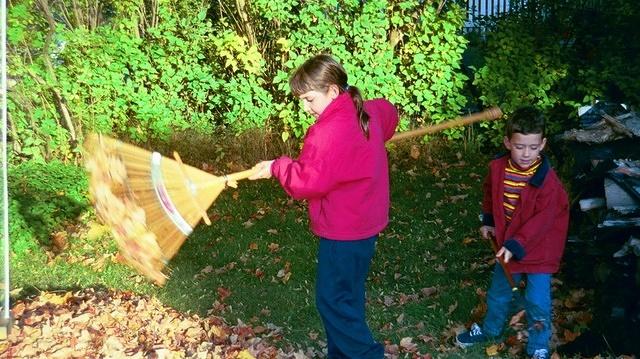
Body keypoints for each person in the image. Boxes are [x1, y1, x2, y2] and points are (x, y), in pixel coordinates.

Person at [249, 54, 398, 358]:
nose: (305, 108)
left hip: (344, 230)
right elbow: (389, 112)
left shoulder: (327, 133)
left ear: (332, 90)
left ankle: (367, 355)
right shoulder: (366, 112)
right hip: (366, 225)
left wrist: (279, 166)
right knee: (348, 297)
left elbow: (306, 181)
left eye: (309, 99)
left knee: (331, 300)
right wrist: (378, 136)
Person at [455, 107, 569, 359]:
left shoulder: (547, 182)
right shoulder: (498, 168)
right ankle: (491, 330)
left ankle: (538, 345)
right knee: (499, 292)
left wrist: (518, 243)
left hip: (539, 248)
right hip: (509, 244)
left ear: (543, 144)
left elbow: (543, 220)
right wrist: (488, 220)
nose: (526, 153)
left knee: (537, 299)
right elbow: (489, 194)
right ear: (508, 142)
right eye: (519, 147)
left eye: (533, 147)